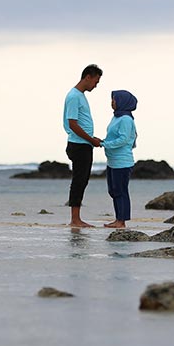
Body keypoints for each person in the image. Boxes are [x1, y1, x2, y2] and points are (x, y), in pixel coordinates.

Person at [63, 64, 103, 227]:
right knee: (79, 180)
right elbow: (72, 124)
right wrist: (90, 140)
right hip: (79, 145)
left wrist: (92, 138)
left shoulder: (80, 95)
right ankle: (75, 219)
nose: (96, 85)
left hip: (84, 143)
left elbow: (81, 123)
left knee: (82, 180)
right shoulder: (74, 96)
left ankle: (76, 218)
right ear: (88, 77)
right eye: (96, 81)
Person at [101, 90, 138, 228]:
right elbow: (112, 136)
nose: (112, 102)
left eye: (114, 99)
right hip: (112, 161)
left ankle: (121, 221)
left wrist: (104, 144)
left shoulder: (126, 119)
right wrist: (104, 141)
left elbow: (123, 139)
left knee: (121, 191)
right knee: (113, 191)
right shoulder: (116, 117)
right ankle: (118, 219)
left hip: (122, 162)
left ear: (122, 101)